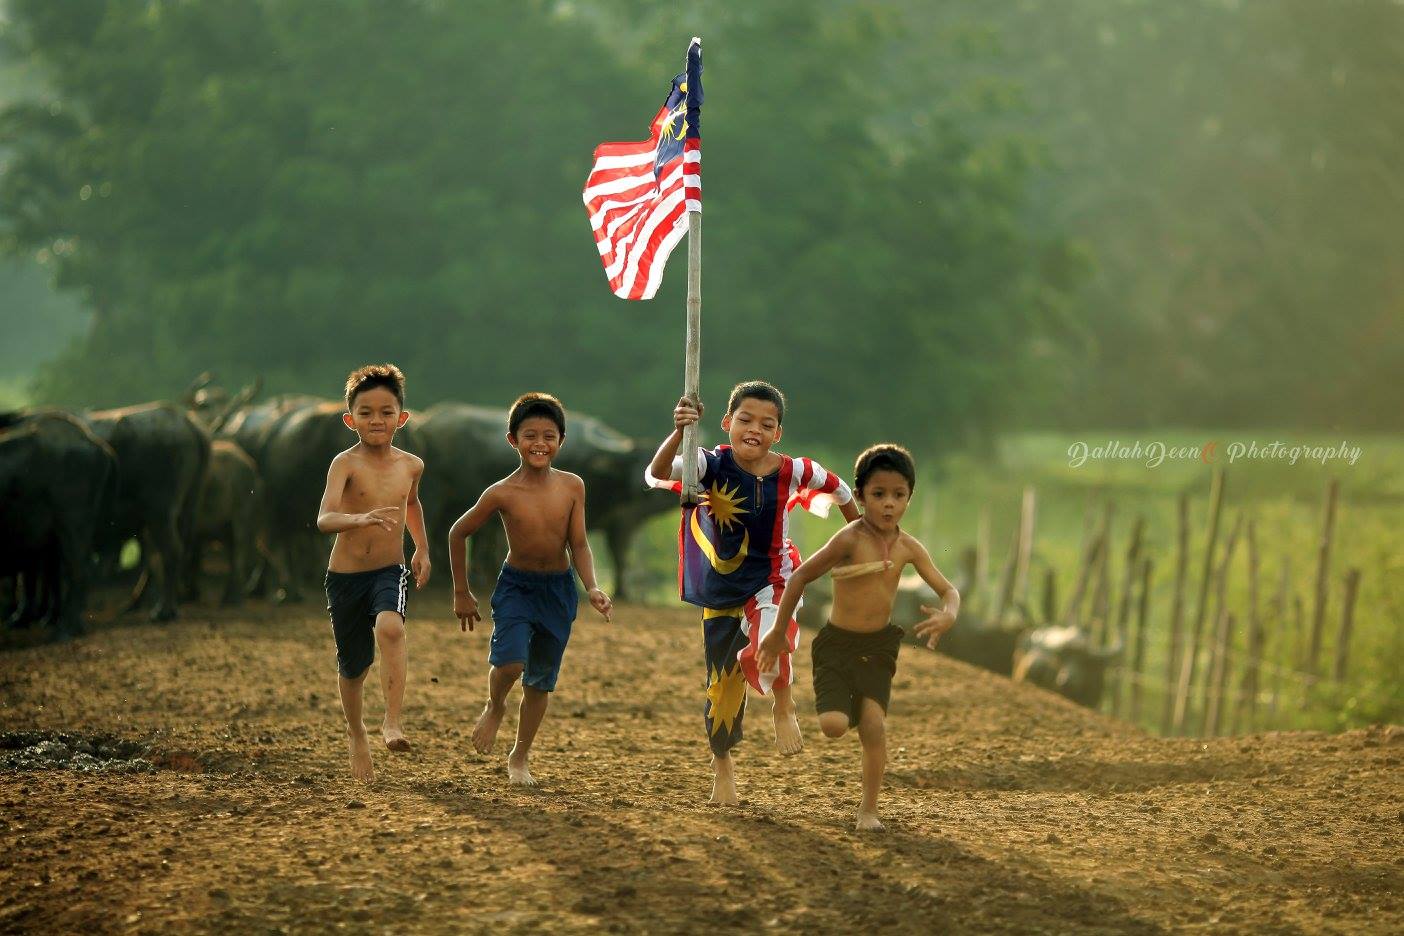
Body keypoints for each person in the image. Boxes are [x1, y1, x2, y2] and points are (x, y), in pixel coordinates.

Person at [647, 380, 860, 805]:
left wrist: (861, 542)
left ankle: (783, 701)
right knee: (722, 688)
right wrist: (679, 431)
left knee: (771, 634)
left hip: (773, 577)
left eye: (766, 424)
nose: (754, 429)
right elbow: (656, 473)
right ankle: (722, 767)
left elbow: (842, 491)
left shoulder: (794, 470)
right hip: (720, 587)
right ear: (727, 422)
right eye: (745, 420)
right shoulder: (708, 464)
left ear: (777, 433)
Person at [757, 443, 959, 831]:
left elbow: (948, 590)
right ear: (861, 496)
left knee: (873, 726)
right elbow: (799, 577)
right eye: (878, 495)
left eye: (898, 496)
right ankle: (847, 699)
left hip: (878, 647)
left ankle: (868, 811)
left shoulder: (908, 548)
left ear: (909, 499)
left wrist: (949, 614)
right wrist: (778, 631)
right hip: (836, 646)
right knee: (834, 725)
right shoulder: (849, 539)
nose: (889, 505)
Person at [448, 392, 613, 786]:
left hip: (558, 590)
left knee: (540, 680)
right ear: (513, 440)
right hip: (516, 587)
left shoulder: (573, 486)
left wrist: (591, 586)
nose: (540, 443)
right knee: (509, 664)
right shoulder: (501, 492)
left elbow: (580, 543)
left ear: (561, 441)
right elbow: (458, 532)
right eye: (530, 435)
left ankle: (519, 756)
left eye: (549, 436)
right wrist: (461, 591)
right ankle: (495, 704)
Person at [316, 364, 431, 783]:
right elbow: (325, 519)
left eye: (386, 412)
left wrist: (421, 547)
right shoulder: (344, 464)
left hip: (390, 568)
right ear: (351, 420)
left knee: (391, 628)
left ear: (402, 417)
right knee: (353, 667)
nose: (376, 420)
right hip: (345, 577)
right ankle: (356, 732)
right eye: (366, 412)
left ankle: (392, 723)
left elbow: (412, 505)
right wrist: (358, 518)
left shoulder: (412, 465)